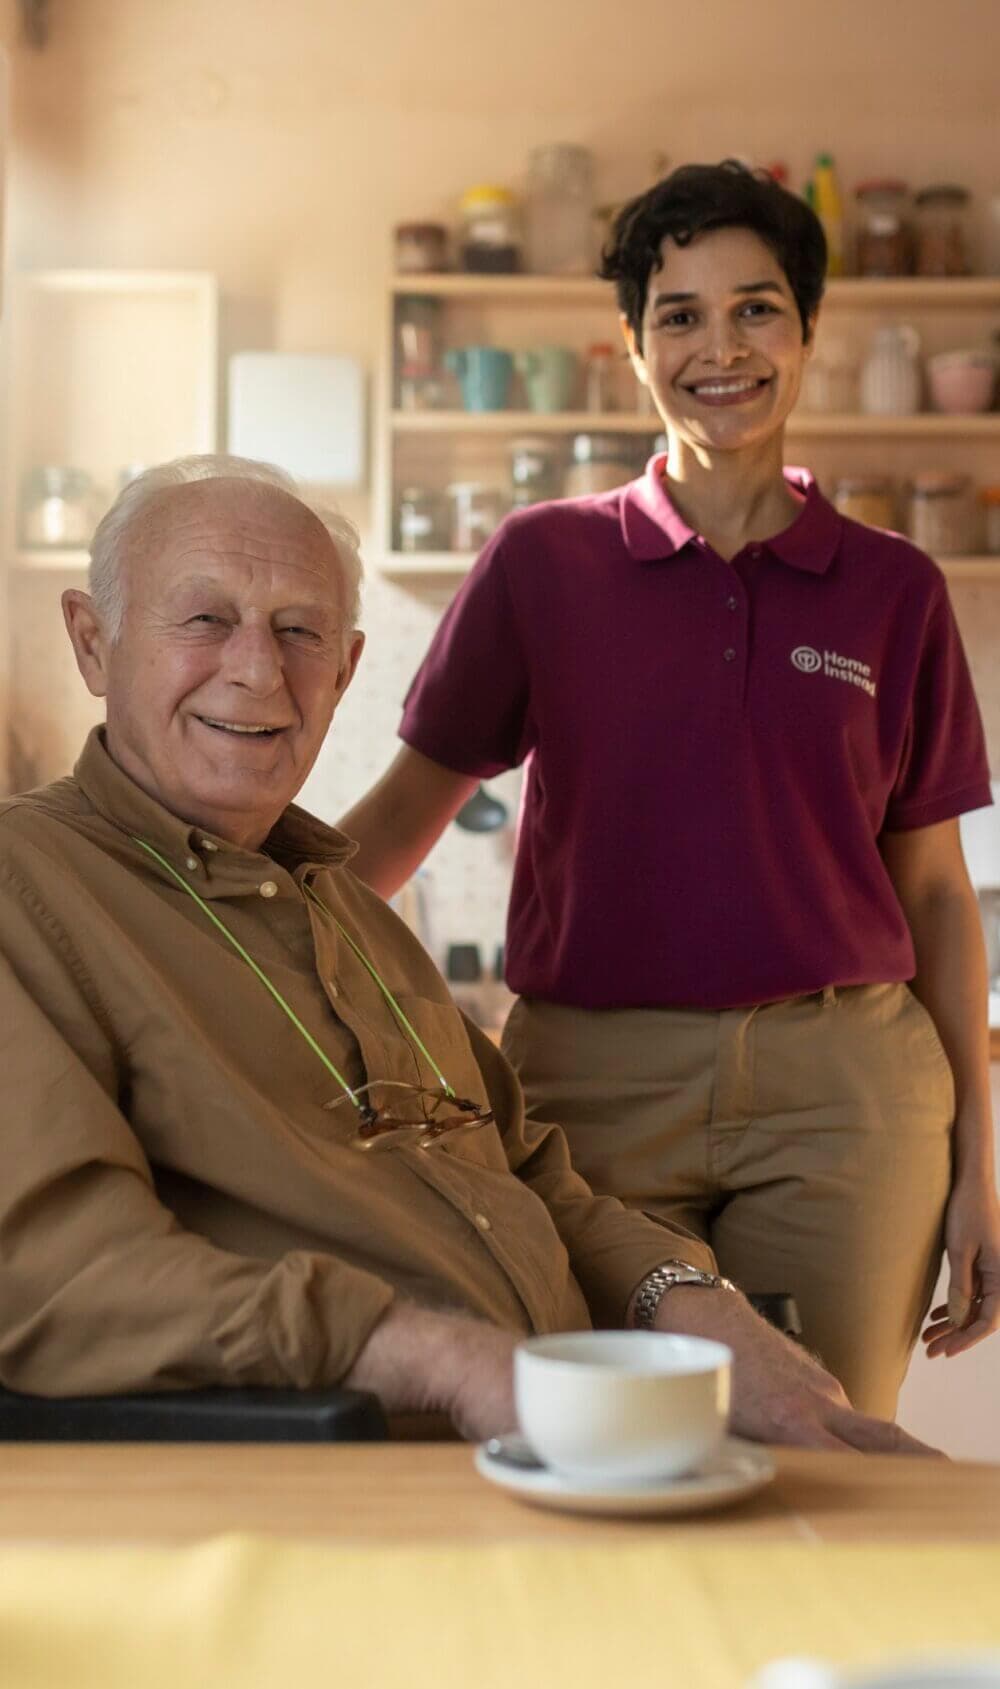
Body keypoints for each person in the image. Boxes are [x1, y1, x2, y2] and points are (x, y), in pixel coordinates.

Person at [0, 452, 935, 1455]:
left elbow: (533, 1174)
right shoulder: (29, 886)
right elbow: (60, 1276)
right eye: (203, 619)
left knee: (907, 1526)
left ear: (346, 669)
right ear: (92, 643)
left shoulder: (348, 911)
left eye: (300, 631)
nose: (257, 669)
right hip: (371, 1483)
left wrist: (692, 1308)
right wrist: (439, 1362)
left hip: (577, 1443)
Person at [340, 162, 1000, 1420]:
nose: (720, 347)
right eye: (679, 314)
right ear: (632, 347)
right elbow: (396, 824)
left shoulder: (893, 588)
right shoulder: (542, 562)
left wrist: (981, 1163)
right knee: (603, 1440)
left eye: (755, 309)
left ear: (808, 334)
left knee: (825, 1453)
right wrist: (220, 936)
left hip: (845, 1096)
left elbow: (934, 893)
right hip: (588, 1093)